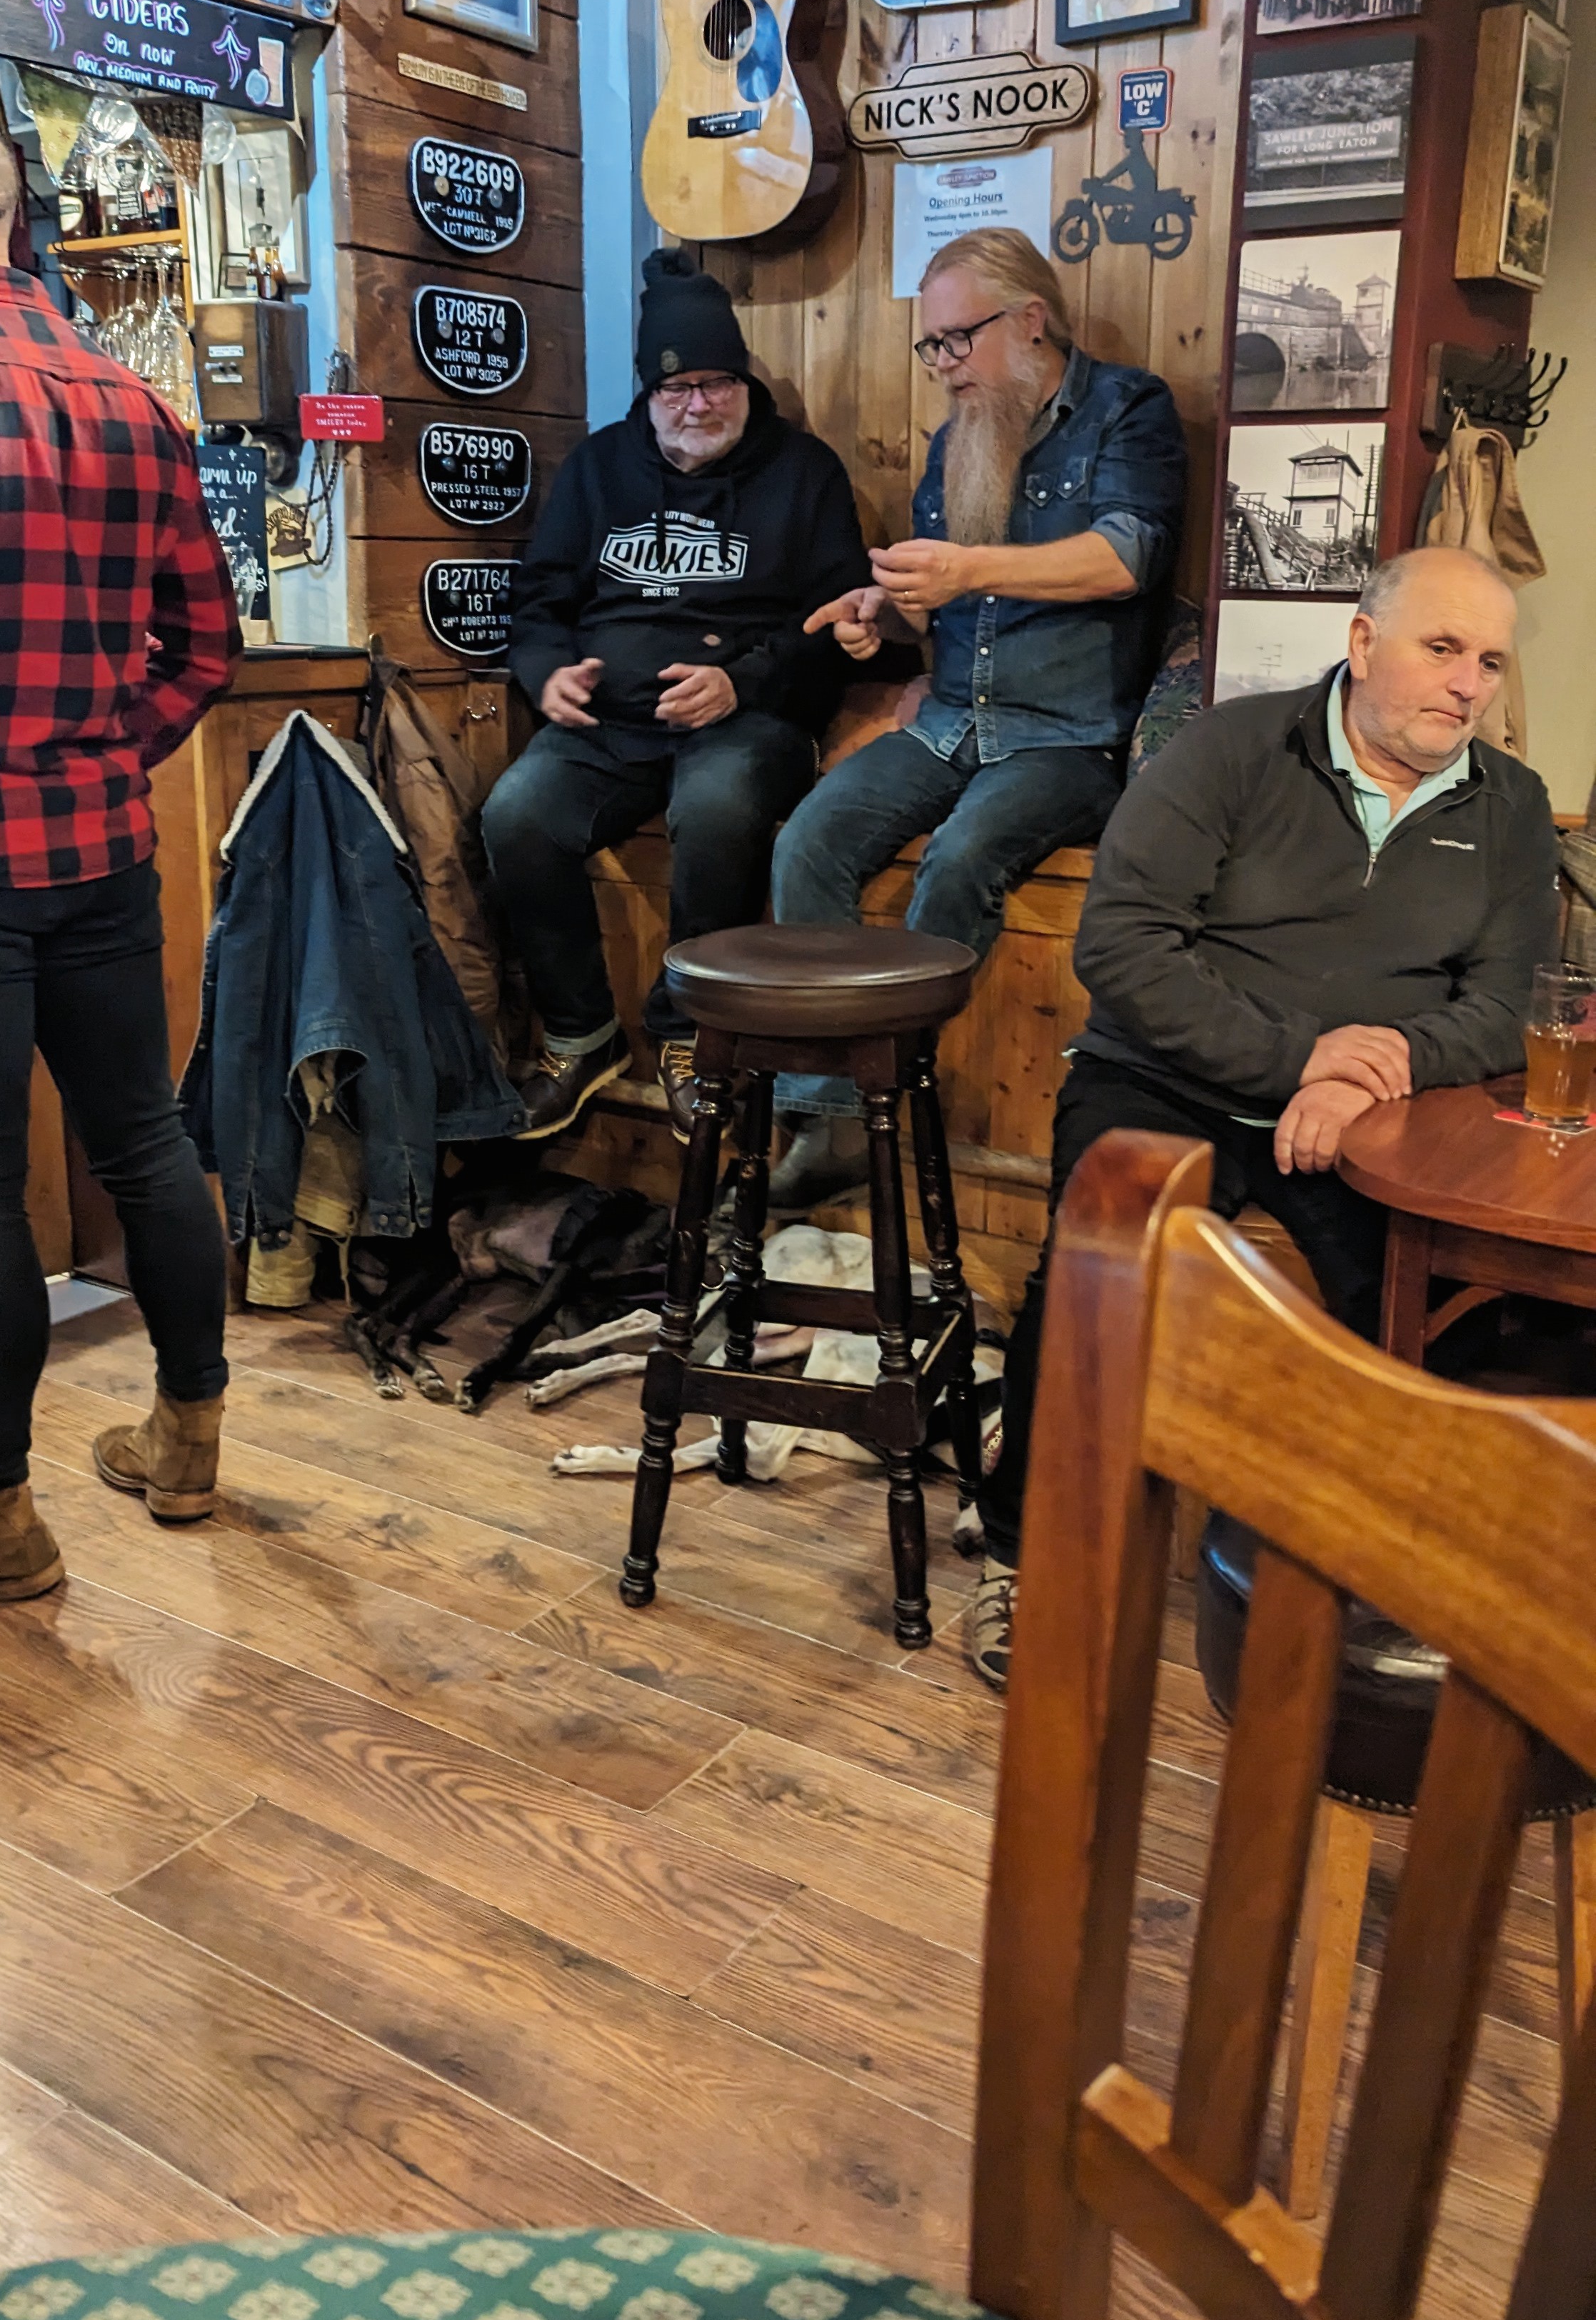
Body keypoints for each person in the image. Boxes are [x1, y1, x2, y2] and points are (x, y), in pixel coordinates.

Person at [965, 546, 1560, 1691]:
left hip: (1374, 1108)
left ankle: (1354, 1571)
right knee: (1102, 1274)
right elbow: (1122, 948)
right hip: (1169, 1077)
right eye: (1443, 648)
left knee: (1434, 1302)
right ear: (1363, 643)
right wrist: (1299, 1060)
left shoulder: (1511, 805)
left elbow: (1504, 1007)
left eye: (1489, 662)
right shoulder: (1230, 749)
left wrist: (1377, 1067)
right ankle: (1020, 1547)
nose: (1468, 684)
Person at [767, 226, 1186, 1208]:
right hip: (951, 717)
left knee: (960, 858)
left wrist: (964, 569)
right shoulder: (957, 440)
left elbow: (1127, 557)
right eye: (932, 345)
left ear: (1031, 321)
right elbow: (935, 603)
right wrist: (883, 613)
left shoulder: (1129, 408)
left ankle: (889, 1090)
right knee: (806, 840)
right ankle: (830, 1115)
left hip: (1068, 736)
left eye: (959, 339)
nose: (945, 364)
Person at [0, 109, 241, 1593]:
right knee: (145, 1139)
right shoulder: (127, 394)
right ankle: (187, 1442)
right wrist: (101, 754)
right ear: (15, 210)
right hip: (99, 845)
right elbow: (206, 645)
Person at [483, 251, 869, 1143]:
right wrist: (546, 670)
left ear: (744, 382)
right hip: (609, 723)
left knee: (719, 806)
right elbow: (538, 598)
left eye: (716, 383)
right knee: (515, 814)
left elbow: (840, 625)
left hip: (751, 719)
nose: (698, 404)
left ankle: (693, 1035)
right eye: (676, 388)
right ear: (648, 394)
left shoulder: (805, 473)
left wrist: (741, 681)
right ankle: (581, 1035)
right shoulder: (598, 468)